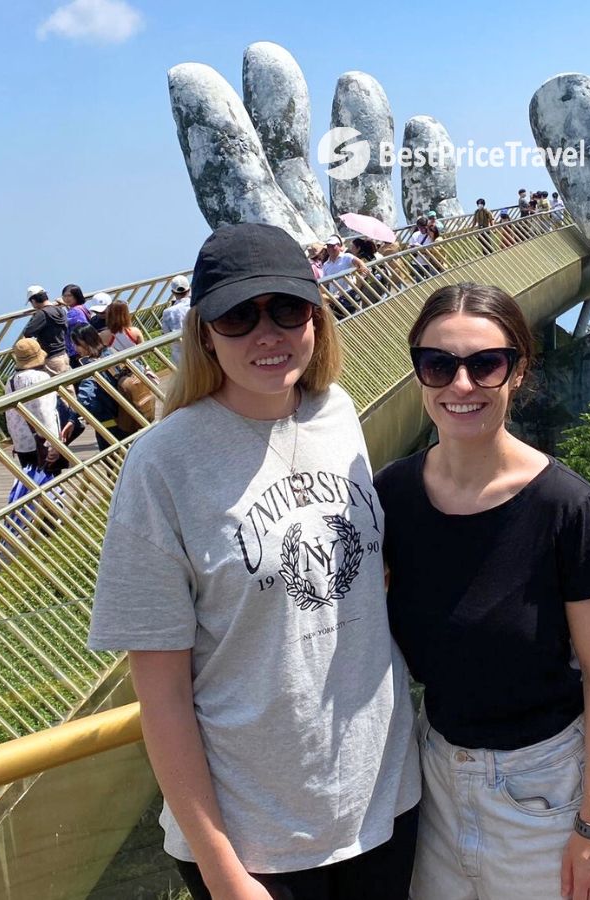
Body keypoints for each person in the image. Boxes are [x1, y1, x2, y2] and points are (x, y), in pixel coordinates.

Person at [87, 222, 419, 900]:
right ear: (204, 331)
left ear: (317, 319)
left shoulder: (338, 412)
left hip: (384, 804)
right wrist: (220, 867)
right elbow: (162, 695)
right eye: (239, 316)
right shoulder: (163, 463)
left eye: (288, 309)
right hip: (257, 842)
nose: (267, 334)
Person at [376, 282, 590, 900]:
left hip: (548, 787)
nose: (459, 385)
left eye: (485, 364)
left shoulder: (564, 506)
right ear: (418, 371)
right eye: (438, 364)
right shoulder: (392, 497)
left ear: (518, 371)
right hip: (435, 777)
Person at [5, 338, 60, 471]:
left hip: (22, 443)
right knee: (53, 483)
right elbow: (45, 412)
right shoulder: (40, 378)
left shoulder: (11, 381)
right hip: (42, 442)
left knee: (34, 482)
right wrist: (55, 443)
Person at [23, 285, 71, 374]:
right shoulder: (59, 310)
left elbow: (28, 332)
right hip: (63, 354)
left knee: (59, 386)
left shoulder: (42, 314)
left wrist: (35, 317)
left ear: (33, 301)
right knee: (68, 385)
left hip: (51, 358)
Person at [162, 276, 193, 370]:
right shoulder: (196, 305)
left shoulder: (168, 312)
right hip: (201, 350)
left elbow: (166, 334)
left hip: (180, 357)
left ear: (173, 292)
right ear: (189, 289)